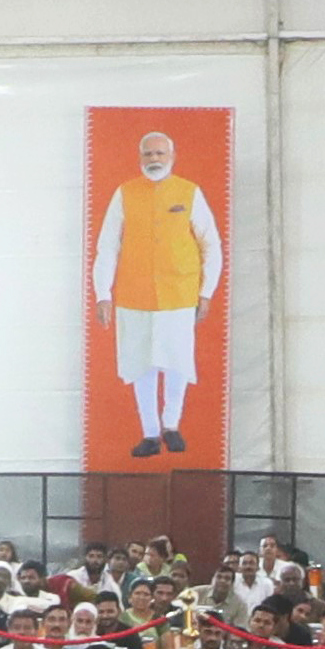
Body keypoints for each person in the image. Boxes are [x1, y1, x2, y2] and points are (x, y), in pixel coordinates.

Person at [91, 126, 223, 456]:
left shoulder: (190, 192)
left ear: (172, 157)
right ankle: (150, 433)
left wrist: (206, 290)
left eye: (160, 153)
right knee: (141, 364)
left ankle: (172, 425)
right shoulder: (125, 193)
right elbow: (107, 245)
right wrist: (102, 293)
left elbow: (211, 244)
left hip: (179, 292)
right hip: (134, 295)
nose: (154, 159)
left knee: (177, 362)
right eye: (148, 153)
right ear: (139, 158)